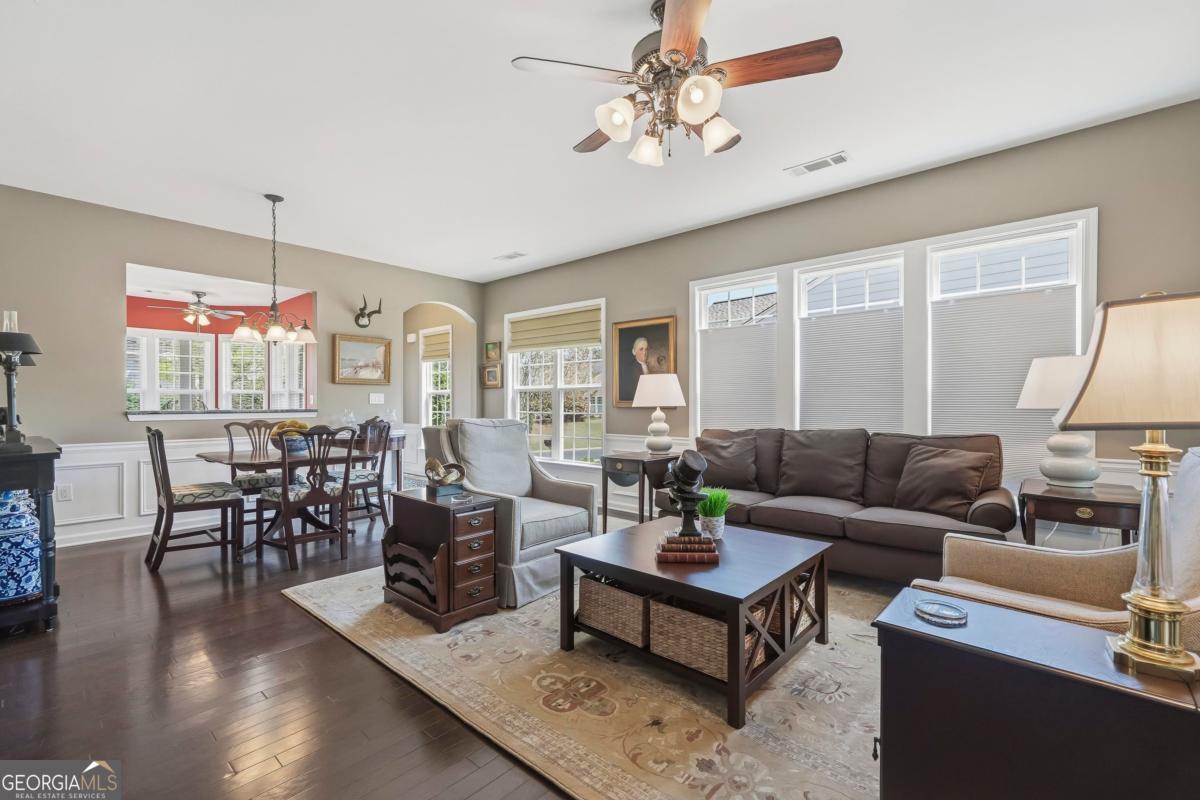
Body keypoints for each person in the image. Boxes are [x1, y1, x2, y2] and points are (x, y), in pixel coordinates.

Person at [620, 335, 656, 401]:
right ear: (634, 351)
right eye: (641, 349)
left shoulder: (652, 368)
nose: (644, 352)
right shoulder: (628, 369)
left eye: (646, 349)